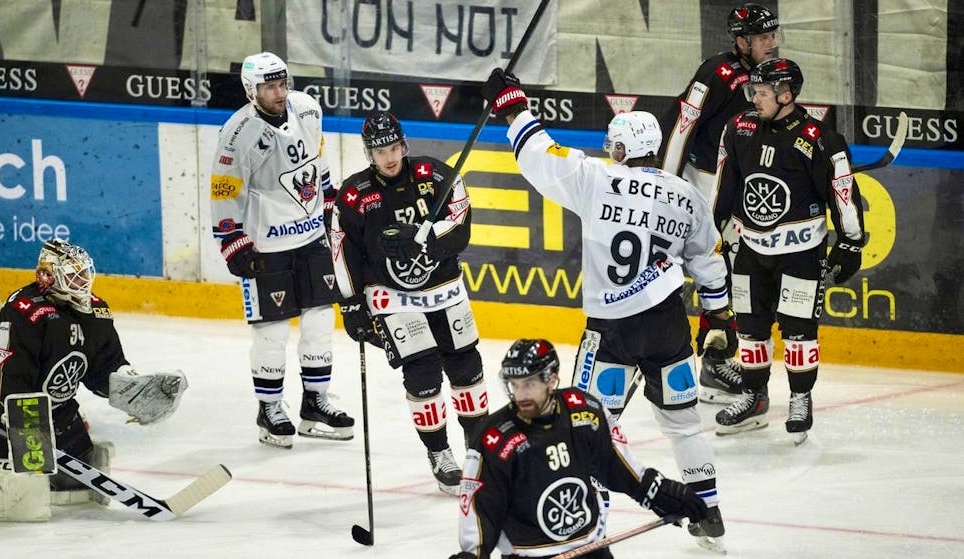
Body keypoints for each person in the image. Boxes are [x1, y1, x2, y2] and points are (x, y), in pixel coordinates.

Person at [482, 69, 734, 553]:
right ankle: (710, 511)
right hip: (666, 326)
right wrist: (719, 318)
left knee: (589, 426)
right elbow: (708, 261)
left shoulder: (598, 180)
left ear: (618, 149)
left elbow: (540, 156)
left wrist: (513, 105)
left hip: (612, 329)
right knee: (682, 423)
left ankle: (586, 522)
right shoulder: (686, 196)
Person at [329, 111, 489, 495]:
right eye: (379, 150)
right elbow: (340, 250)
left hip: (444, 288)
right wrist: (350, 305)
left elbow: (462, 221)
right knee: (423, 373)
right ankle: (440, 454)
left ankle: (477, 450)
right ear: (369, 153)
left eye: (393, 147)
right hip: (392, 296)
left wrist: (426, 237)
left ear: (404, 144)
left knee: (467, 366)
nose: (388, 157)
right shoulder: (353, 195)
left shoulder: (434, 175)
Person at [0, 239, 187, 520]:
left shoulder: (96, 311)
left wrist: (130, 387)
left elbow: (103, 365)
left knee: (75, 481)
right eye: (73, 275)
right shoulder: (25, 310)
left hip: (54, 408)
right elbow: (2, 373)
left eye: (85, 273)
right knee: (16, 486)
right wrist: (23, 425)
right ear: (49, 277)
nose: (82, 281)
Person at [710, 57, 865, 445]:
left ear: (786, 94)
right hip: (749, 249)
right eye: (752, 91)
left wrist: (849, 242)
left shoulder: (819, 138)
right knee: (750, 330)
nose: (753, 98)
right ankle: (753, 397)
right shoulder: (739, 129)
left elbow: (843, 193)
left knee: (799, 332)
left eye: (761, 92)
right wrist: (710, 232)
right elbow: (724, 187)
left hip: (801, 253)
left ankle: (800, 397)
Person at [448, 339, 707, 559]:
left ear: (551, 379)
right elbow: (479, 509)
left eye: (528, 384)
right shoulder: (494, 437)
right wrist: (472, 555)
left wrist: (662, 493)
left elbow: (619, 468)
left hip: (591, 548)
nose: (520, 394)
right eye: (514, 385)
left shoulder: (584, 412)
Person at [210, 51, 353, 449]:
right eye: (269, 86)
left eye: (282, 83)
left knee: (320, 322)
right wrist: (231, 240)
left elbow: (318, 161)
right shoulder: (237, 133)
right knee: (271, 331)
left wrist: (329, 205)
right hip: (266, 245)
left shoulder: (307, 108)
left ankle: (315, 402)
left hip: (310, 238)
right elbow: (224, 189)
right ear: (250, 90)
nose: (278, 92)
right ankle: (270, 407)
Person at [658, 3, 780, 405]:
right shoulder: (717, 72)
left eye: (772, 36)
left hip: (742, 186)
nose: (771, 43)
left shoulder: (773, 79)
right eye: (763, 37)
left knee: (736, 271)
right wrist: (664, 186)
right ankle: (710, 358)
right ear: (741, 41)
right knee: (715, 267)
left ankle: (717, 354)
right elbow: (682, 128)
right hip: (705, 184)